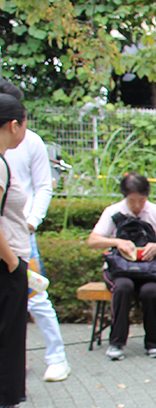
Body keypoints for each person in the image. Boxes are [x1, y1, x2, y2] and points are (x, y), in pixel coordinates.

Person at [0, 79, 70, 382]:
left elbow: (43, 185)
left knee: (35, 296)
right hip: (8, 237)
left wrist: (31, 222)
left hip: (20, 232)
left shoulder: (31, 141)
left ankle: (56, 357)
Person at [86, 172, 156, 360]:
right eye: (132, 201)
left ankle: (154, 343)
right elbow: (92, 240)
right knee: (123, 287)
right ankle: (117, 342)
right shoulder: (113, 212)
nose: (137, 206)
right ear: (124, 197)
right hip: (120, 271)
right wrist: (117, 243)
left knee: (152, 291)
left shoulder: (155, 211)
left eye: (142, 200)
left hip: (148, 271)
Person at [0, 93, 38, 408]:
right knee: (4, 335)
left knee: (12, 336)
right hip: (5, 262)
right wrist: (12, 261)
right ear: (14, 125)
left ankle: (8, 404)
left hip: (12, 259)